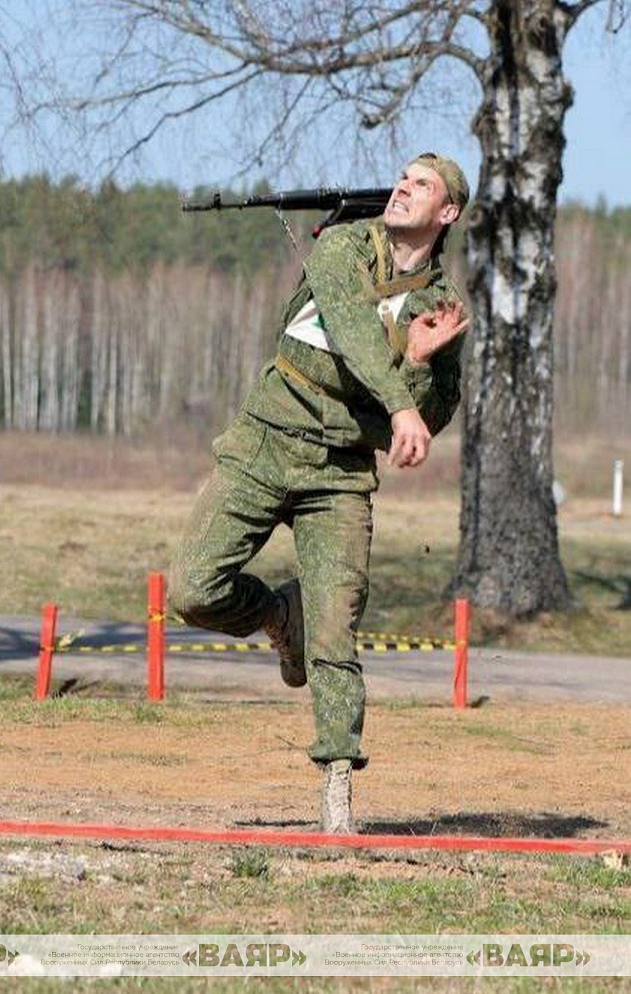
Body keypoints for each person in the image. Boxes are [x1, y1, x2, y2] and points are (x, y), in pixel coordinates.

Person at [167, 153, 470, 833]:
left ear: (447, 212)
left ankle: (337, 791)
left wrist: (419, 367)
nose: (403, 187)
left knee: (335, 633)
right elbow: (353, 329)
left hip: (340, 471)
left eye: (422, 184)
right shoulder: (342, 246)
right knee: (191, 590)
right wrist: (399, 398)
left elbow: (436, 412)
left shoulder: (442, 307)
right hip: (265, 441)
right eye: (403, 177)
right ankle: (280, 615)